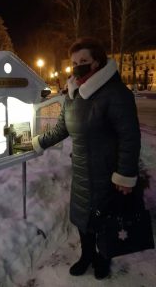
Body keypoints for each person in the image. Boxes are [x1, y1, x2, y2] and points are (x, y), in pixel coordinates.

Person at [32, 37, 143, 280]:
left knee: (105, 218)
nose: (77, 66)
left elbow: (129, 137)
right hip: (82, 170)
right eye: (74, 62)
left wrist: (125, 175)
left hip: (107, 172)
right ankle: (86, 255)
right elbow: (62, 129)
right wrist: (36, 142)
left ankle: (104, 257)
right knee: (83, 217)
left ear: (97, 62)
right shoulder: (72, 94)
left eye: (83, 60)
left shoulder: (116, 93)